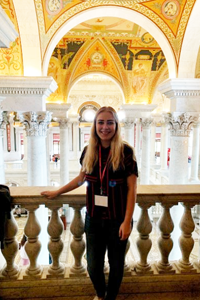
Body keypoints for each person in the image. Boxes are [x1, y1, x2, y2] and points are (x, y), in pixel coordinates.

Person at [41, 106, 138, 300]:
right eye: (100, 122)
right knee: (93, 264)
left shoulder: (125, 151)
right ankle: (101, 294)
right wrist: (58, 191)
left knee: (117, 264)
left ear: (116, 125)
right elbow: (80, 179)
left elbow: (131, 190)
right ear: (94, 126)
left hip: (117, 219)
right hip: (93, 219)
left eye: (109, 122)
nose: (105, 127)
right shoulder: (89, 150)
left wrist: (127, 221)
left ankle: (110, 298)